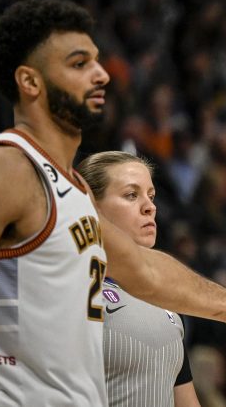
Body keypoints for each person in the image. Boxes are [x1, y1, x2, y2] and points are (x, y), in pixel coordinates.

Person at [0, 0, 226, 406]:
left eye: (96, 61)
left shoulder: (73, 191)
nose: (102, 74)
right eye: (79, 63)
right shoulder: (6, 167)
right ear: (30, 82)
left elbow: (146, 270)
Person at [77, 151, 201, 406]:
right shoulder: (73, 287)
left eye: (151, 196)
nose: (150, 207)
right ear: (92, 208)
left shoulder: (166, 300)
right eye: (131, 195)